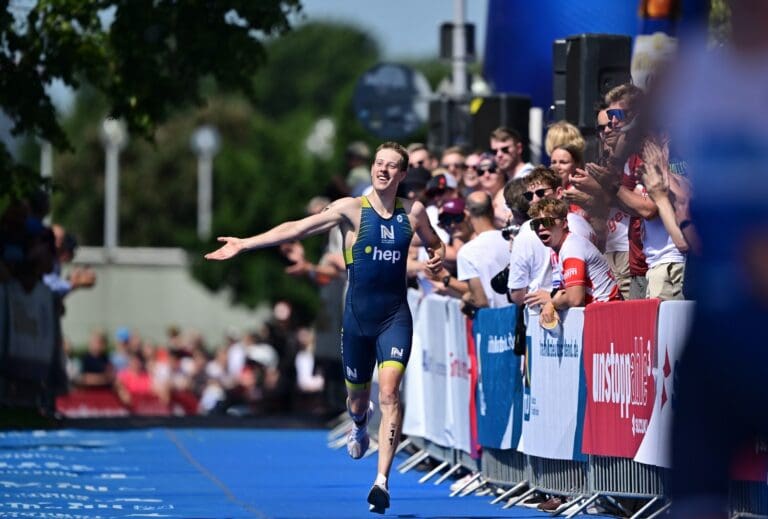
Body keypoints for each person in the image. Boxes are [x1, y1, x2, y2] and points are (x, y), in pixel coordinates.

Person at [205, 141, 445, 514]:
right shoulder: (351, 210)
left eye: (390, 166)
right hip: (358, 320)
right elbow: (298, 228)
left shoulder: (412, 213)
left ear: (401, 174)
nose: (382, 170)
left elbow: (435, 242)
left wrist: (436, 256)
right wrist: (246, 243)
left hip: (395, 317)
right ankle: (359, 425)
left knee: (391, 394)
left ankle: (381, 481)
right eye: (378, 163)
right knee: (359, 400)